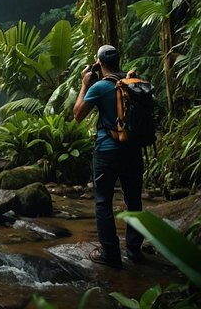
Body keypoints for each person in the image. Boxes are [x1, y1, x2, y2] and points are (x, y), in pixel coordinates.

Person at [73, 45, 145, 269]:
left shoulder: (100, 86)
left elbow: (77, 114)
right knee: (133, 200)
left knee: (103, 202)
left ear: (99, 63)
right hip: (133, 150)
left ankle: (111, 254)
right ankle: (134, 250)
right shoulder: (137, 82)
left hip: (107, 150)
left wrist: (85, 84)